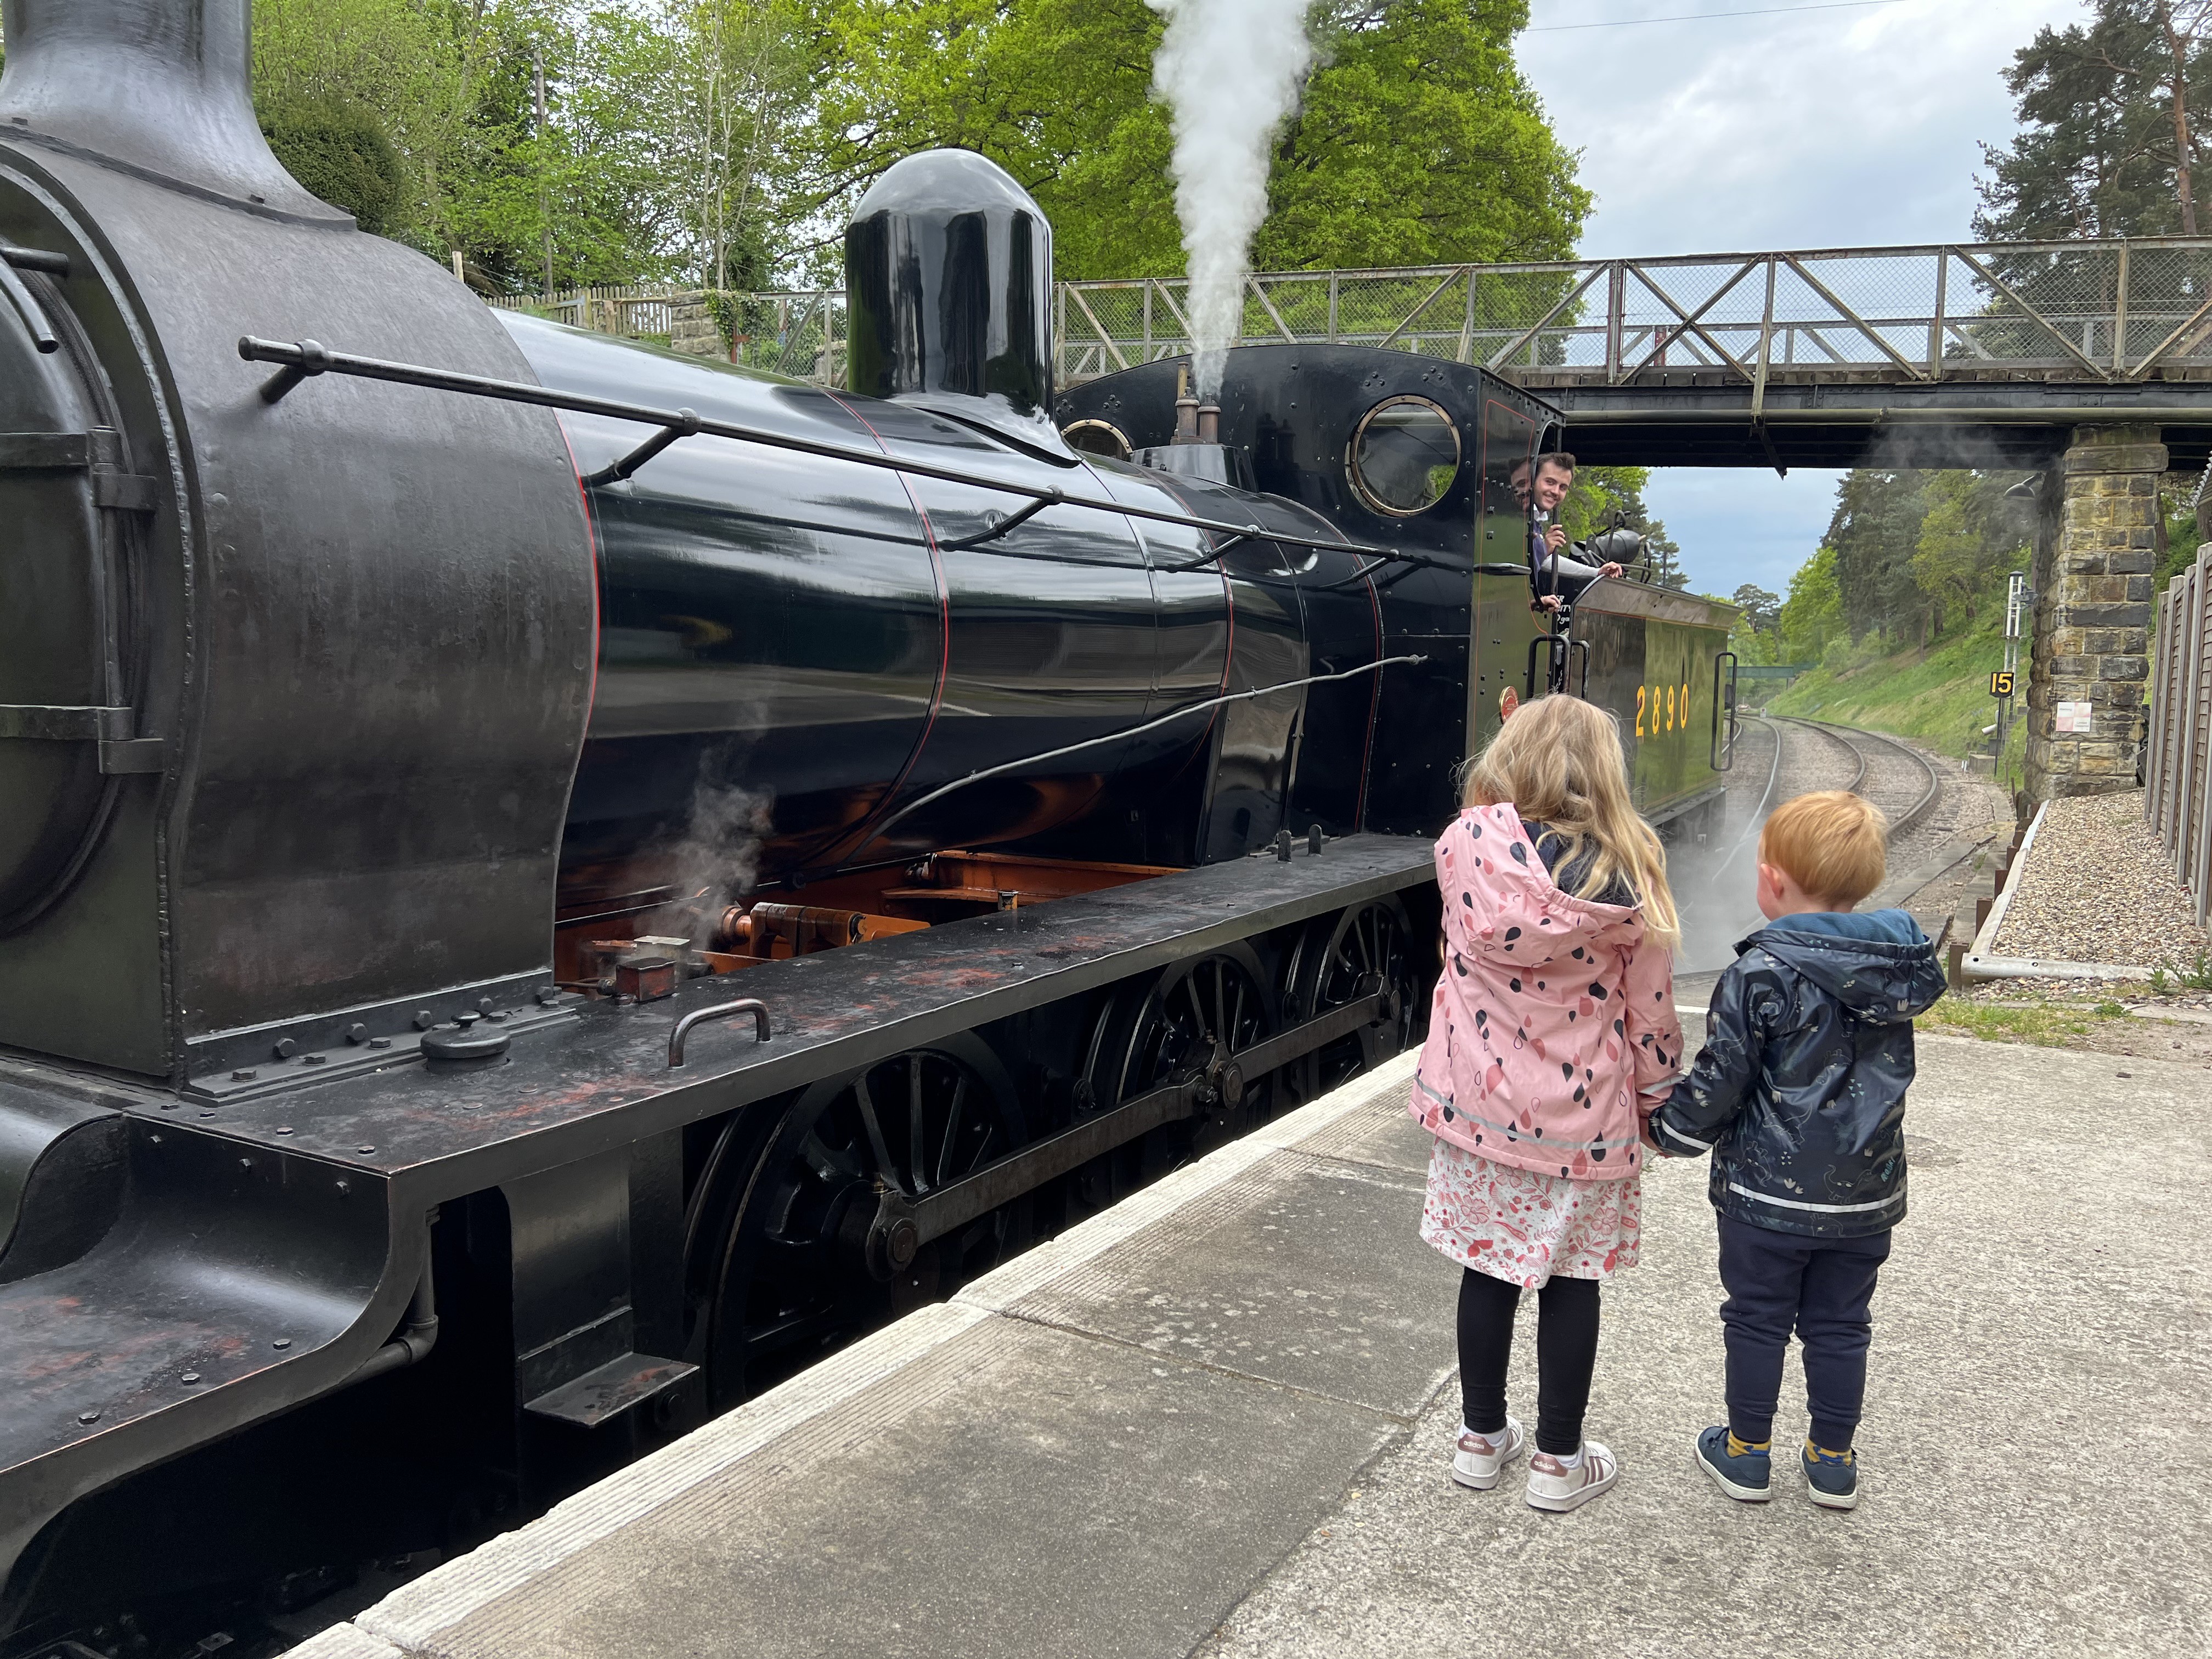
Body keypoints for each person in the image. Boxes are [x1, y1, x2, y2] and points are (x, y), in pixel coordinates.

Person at [1408, 693, 1683, 1513]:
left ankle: (1480, 1439)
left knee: (1487, 1272)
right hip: (1584, 1121)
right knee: (1571, 1281)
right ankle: (1560, 1460)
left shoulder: (1462, 846)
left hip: (1477, 1112)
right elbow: (1651, 1014)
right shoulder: (1628, 874)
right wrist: (1661, 1099)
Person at [1645, 790, 1946, 1511]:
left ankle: (1747, 1454)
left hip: (1766, 1196)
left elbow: (1722, 1080)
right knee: (1842, 1325)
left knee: (1757, 1319)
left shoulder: (1760, 973)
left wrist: (1671, 1132)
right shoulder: (1892, 967)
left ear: (1773, 880)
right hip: (1864, 1196)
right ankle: (1832, 1463)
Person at [1511, 453, 1622, 613]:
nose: (1556, 491)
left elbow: (1545, 561)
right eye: (1550, 482)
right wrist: (1545, 548)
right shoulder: (1515, 519)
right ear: (1532, 481)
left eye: (1563, 487)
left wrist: (1597, 572)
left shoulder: (1533, 521)